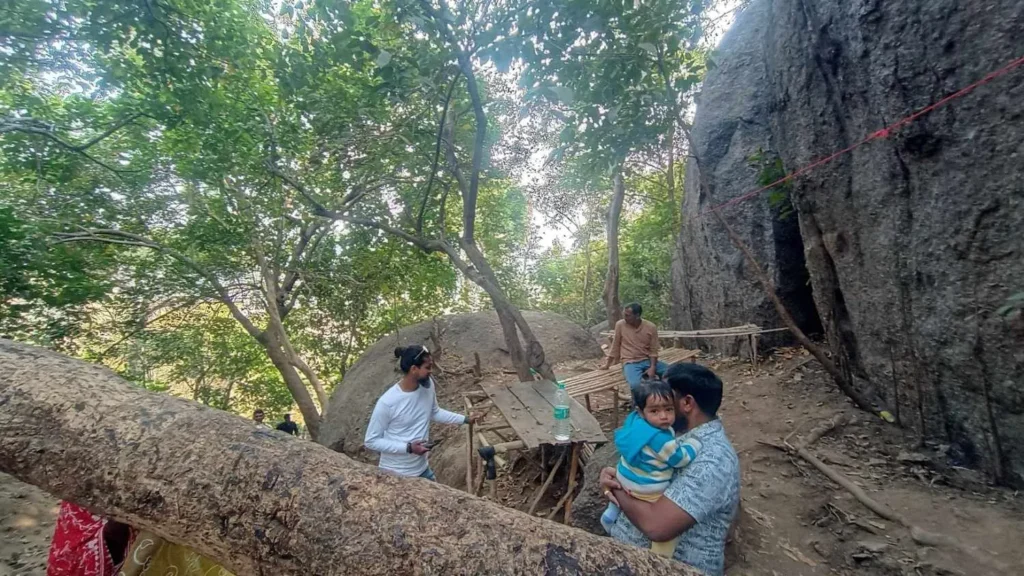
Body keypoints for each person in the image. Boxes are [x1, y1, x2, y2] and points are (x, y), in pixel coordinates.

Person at [599, 363, 739, 576]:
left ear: (687, 403)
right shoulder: (673, 432)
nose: (657, 399)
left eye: (666, 397)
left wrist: (617, 488)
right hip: (635, 558)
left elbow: (656, 526)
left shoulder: (712, 459)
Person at [600, 379, 702, 557]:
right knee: (668, 534)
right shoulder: (661, 440)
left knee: (626, 473)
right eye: (655, 411)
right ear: (641, 411)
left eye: (668, 409)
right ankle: (660, 558)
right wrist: (694, 443)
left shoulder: (634, 422)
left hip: (623, 476)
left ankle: (611, 513)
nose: (663, 416)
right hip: (647, 489)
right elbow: (681, 459)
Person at [363, 345, 478, 481]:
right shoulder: (388, 402)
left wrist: (465, 419)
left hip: (423, 469)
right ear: (414, 369)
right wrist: (408, 448)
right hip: (396, 473)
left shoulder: (427, 386)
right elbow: (371, 441)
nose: (431, 371)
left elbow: (434, 412)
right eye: (427, 367)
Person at [600, 302, 668, 388]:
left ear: (637, 315)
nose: (625, 318)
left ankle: (666, 395)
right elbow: (615, 345)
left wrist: (652, 367)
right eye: (624, 315)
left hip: (647, 360)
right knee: (635, 385)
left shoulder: (651, 327)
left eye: (628, 315)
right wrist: (607, 365)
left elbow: (653, 350)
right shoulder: (620, 325)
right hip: (630, 362)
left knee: (672, 373)